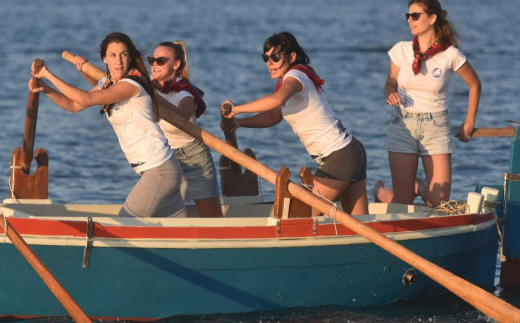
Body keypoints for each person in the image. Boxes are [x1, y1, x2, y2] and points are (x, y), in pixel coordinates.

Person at [31, 32, 186, 218]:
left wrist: (48, 74)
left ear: (130, 57)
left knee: (126, 222)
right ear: (104, 58)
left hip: (160, 170)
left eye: (123, 54)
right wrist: (46, 89)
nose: (119, 61)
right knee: (178, 232)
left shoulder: (132, 84)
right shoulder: (108, 83)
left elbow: (86, 99)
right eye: (113, 55)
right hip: (158, 171)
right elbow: (73, 105)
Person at [221, 31, 369, 215]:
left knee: (300, 217)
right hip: (351, 151)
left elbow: (276, 100)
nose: (269, 63)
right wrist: (241, 123)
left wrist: (237, 108)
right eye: (265, 58)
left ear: (292, 57)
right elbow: (273, 116)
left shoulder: (296, 76)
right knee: (361, 224)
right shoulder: (291, 80)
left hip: (340, 157)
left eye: (275, 57)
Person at [374, 0, 481, 207]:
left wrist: (469, 121)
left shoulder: (451, 54)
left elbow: (475, 84)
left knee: (438, 203)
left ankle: (420, 187)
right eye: (408, 16)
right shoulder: (401, 50)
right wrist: (390, 94)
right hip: (402, 126)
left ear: (432, 19)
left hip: (436, 127)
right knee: (402, 204)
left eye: (415, 15)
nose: (409, 20)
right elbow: (390, 84)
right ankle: (379, 190)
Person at [148, 40, 222, 217]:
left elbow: (181, 117)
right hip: (165, 158)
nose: (154, 65)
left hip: (195, 157)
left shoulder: (185, 92)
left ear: (176, 64)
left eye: (161, 61)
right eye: (152, 60)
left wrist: (152, 96)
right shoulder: (147, 86)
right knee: (159, 214)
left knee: (211, 218)